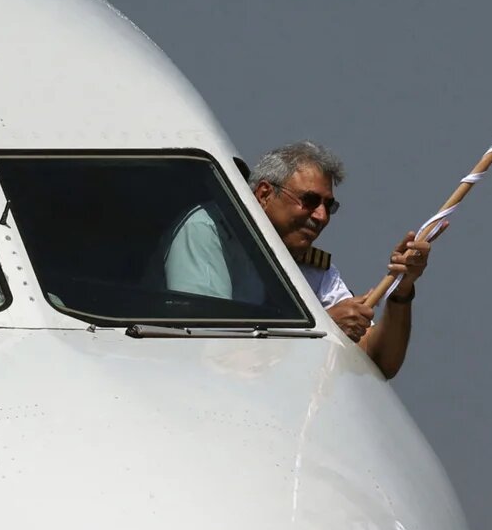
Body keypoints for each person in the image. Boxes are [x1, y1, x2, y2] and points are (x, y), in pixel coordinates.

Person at [165, 141, 430, 378]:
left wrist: (402, 287)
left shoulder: (312, 267)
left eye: (329, 206)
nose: (322, 217)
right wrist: (322, 329)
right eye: (310, 201)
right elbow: (205, 347)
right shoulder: (209, 230)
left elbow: (380, 359)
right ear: (265, 194)